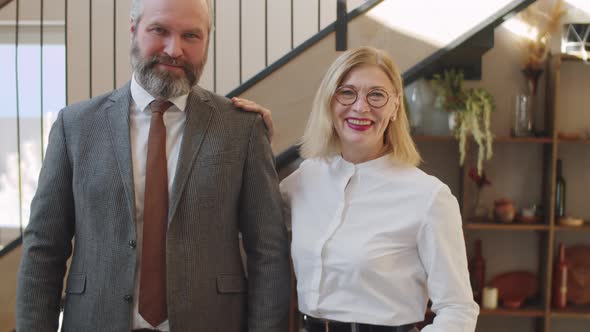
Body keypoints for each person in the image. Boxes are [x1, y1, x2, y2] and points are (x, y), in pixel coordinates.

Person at [16, 0, 290, 331]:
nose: (174, 49)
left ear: (207, 40)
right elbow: (44, 247)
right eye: (159, 30)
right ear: (133, 29)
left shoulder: (241, 128)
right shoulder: (75, 126)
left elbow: (269, 250)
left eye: (191, 35)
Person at [233, 46, 479, 332]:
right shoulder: (307, 177)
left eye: (376, 95)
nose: (361, 106)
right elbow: (247, 222)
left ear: (395, 105)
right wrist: (251, 140)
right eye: (347, 92)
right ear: (330, 102)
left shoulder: (429, 197)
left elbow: (458, 309)